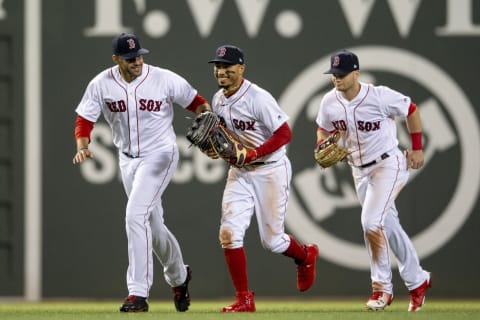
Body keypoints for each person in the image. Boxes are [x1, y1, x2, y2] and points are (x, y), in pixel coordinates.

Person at [72, 33, 212, 312]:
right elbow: (84, 119)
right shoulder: (101, 83)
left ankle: (138, 294)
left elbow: (198, 102)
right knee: (153, 227)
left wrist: (207, 117)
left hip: (160, 154)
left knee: (134, 214)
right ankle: (179, 277)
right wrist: (83, 145)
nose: (137, 61)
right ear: (116, 59)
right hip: (127, 161)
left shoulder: (163, 78)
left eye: (139, 56)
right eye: (129, 58)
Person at [315, 49, 432, 312]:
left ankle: (382, 289)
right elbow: (323, 127)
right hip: (358, 170)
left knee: (370, 222)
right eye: (334, 74)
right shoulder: (329, 101)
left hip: (387, 164)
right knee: (387, 225)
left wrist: (417, 148)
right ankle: (417, 280)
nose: (337, 78)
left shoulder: (379, 96)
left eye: (342, 74)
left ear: (356, 73)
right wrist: (322, 143)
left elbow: (411, 109)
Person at [206, 45, 319, 313]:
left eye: (228, 66)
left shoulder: (258, 97)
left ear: (242, 68)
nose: (222, 71)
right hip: (240, 172)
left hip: (270, 169)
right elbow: (226, 138)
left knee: (272, 241)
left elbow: (284, 134)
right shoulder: (218, 99)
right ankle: (244, 299)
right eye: (218, 66)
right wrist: (214, 147)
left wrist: (255, 152)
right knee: (228, 233)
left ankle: (306, 256)